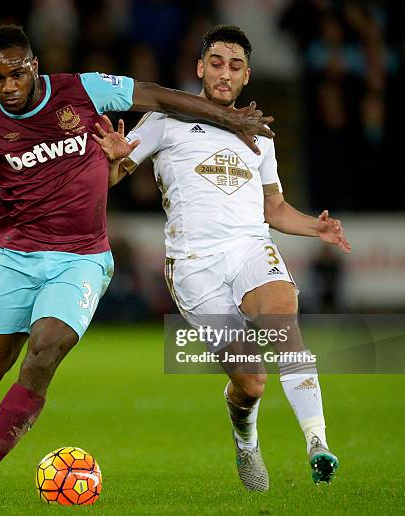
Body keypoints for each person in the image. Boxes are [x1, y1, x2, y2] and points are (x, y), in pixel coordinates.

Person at [0, 24, 274, 503]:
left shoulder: (82, 90)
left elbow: (156, 96)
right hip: (16, 257)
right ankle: (15, 391)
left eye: (15, 75)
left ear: (33, 66)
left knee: (45, 349)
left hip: (81, 259)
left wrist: (229, 118)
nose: (8, 87)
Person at [93, 25, 351, 492]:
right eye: (216, 63)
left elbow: (273, 209)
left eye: (234, 66)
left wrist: (315, 226)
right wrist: (111, 159)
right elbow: (113, 177)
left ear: (247, 75)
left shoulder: (260, 134)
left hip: (251, 249)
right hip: (195, 266)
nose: (224, 73)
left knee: (283, 325)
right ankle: (245, 438)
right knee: (251, 381)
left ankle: (317, 442)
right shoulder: (165, 118)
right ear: (200, 68)